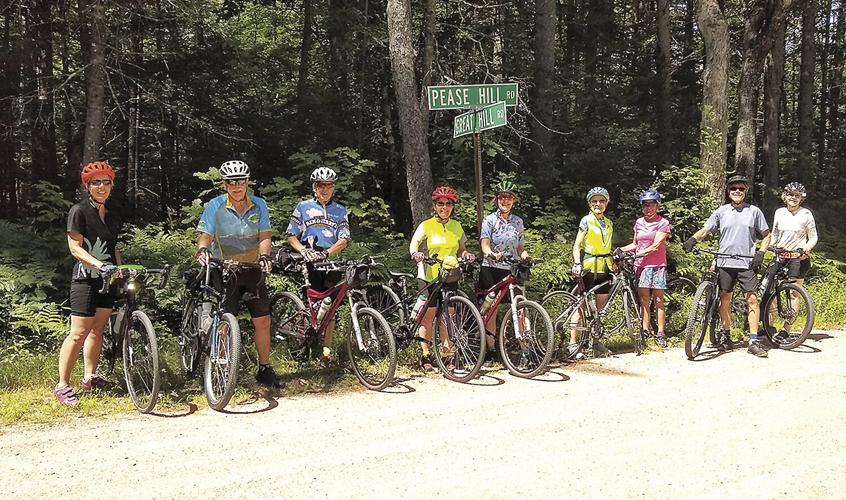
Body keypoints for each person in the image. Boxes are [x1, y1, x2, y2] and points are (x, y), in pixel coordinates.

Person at [195, 160, 280, 387]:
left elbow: (264, 236)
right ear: (224, 184)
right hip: (224, 269)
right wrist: (203, 248)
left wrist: (264, 256)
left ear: (247, 181)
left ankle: (264, 368)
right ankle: (221, 369)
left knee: (263, 320)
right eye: (231, 182)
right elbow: (205, 234)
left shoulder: (259, 205)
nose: (236, 186)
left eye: (240, 181)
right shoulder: (215, 205)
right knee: (224, 322)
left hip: (252, 269)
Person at [55, 161, 122, 405]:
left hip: (107, 279)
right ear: (87, 186)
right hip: (85, 278)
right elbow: (75, 248)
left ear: (111, 185)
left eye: (106, 182)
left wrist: (118, 269)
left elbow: (114, 248)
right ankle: (62, 385)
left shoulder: (112, 214)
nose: (101, 186)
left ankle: (90, 376)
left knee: (98, 329)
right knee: (79, 332)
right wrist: (99, 265)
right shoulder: (79, 211)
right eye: (96, 182)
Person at [683, 175, 771, 357]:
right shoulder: (721, 212)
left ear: (745, 191)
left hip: (746, 262)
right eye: (733, 189)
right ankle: (726, 336)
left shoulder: (754, 211)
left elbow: (767, 234)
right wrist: (692, 239)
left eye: (741, 188)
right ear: (728, 191)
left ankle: (753, 341)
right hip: (725, 262)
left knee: (752, 299)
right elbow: (706, 230)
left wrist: (761, 253)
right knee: (725, 299)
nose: (737, 191)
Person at [286, 166, 350, 363]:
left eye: (328, 186)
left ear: (333, 188)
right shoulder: (303, 207)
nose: (324, 190)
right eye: (321, 186)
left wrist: (327, 253)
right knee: (312, 305)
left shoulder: (340, 210)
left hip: (330, 262)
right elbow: (291, 235)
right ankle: (304, 344)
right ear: (314, 187)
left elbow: (345, 238)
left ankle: (326, 352)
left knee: (331, 307)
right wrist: (304, 251)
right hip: (309, 261)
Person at [409, 185, 476, 371]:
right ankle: (425, 355)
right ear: (434, 206)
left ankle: (448, 355)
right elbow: (414, 243)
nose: (444, 207)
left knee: (449, 316)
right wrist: (416, 254)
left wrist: (466, 255)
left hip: (450, 275)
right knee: (428, 316)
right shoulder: (426, 225)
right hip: (429, 276)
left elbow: (462, 249)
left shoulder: (456, 226)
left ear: (453, 206)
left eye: (448, 204)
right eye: (440, 204)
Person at [478, 180, 529, 361]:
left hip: (512, 268)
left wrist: (526, 257)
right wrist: (491, 253)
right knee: (492, 307)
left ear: (513, 201)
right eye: (502, 198)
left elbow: (520, 247)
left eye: (509, 198)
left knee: (520, 307)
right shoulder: (489, 220)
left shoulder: (518, 222)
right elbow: (484, 244)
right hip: (491, 268)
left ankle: (525, 348)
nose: (505, 201)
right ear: (497, 200)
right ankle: (490, 349)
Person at [619, 189, 672, 348]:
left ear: (657, 206)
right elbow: (635, 244)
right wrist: (620, 250)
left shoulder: (663, 223)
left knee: (658, 300)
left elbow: (656, 245)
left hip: (657, 266)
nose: (648, 208)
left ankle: (661, 333)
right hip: (640, 266)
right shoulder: (639, 223)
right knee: (643, 300)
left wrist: (640, 253)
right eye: (645, 205)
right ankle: (645, 329)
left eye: (651, 205)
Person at [569, 187, 615, 357]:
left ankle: (595, 342)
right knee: (580, 307)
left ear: (606, 203)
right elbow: (577, 245)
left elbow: (607, 247)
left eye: (601, 201)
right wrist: (576, 262)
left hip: (604, 268)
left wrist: (613, 263)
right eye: (594, 201)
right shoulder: (586, 220)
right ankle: (573, 344)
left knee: (600, 309)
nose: (598, 204)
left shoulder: (609, 223)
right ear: (589, 203)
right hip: (588, 267)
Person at [768, 182, 818, 337]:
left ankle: (786, 329)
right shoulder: (779, 212)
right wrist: (770, 246)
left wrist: (807, 248)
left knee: (793, 294)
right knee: (771, 292)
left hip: (798, 258)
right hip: (780, 257)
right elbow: (775, 234)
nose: (793, 198)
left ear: (801, 198)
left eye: (797, 196)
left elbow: (814, 236)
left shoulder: (806, 214)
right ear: (785, 196)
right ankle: (769, 325)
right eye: (791, 194)